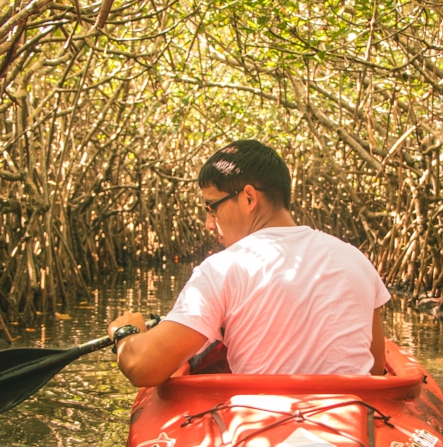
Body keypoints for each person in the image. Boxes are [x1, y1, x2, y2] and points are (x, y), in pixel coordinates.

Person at [108, 139, 391, 386]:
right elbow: (376, 368)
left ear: (248, 198)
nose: (208, 224)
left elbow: (142, 368)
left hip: (263, 432)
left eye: (211, 207)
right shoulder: (355, 259)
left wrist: (126, 332)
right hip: (352, 425)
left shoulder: (221, 269)